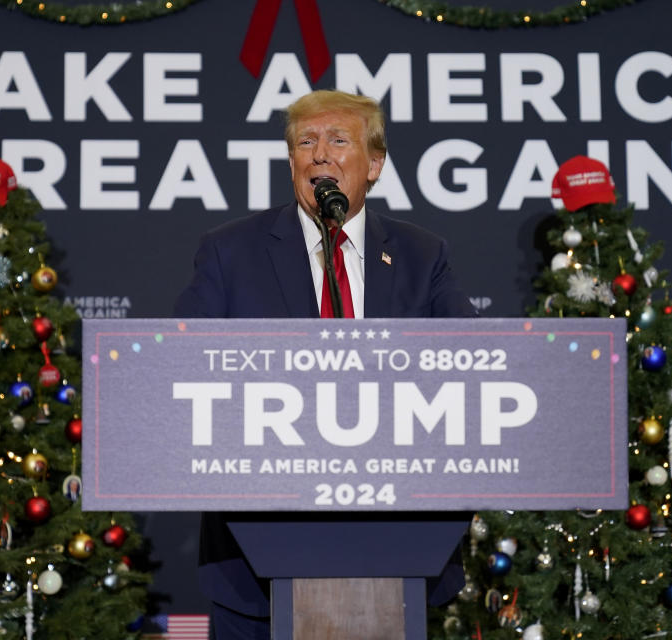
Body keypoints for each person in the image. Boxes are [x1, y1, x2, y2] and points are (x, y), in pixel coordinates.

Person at [174, 89, 475, 639]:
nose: (319, 155)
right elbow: (184, 367)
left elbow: (467, 369)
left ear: (375, 164)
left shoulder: (422, 255)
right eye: (305, 143)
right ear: (291, 161)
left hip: (396, 539)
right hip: (255, 552)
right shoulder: (229, 251)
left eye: (339, 140)